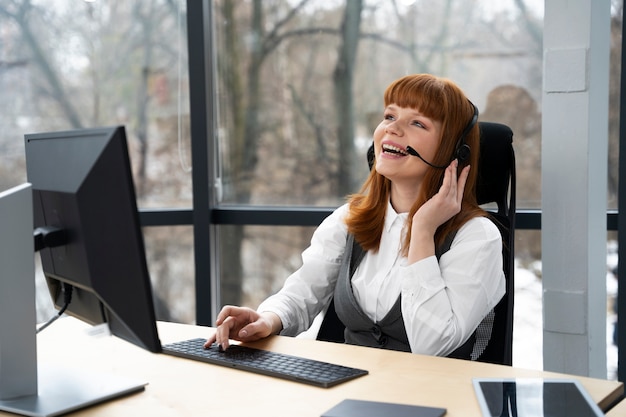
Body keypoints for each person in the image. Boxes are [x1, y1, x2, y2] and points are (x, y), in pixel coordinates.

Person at [206, 73, 505, 358]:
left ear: (455, 151)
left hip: (435, 400)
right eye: (389, 116)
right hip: (349, 389)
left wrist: (423, 231)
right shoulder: (350, 219)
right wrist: (267, 319)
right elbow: (303, 292)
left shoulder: (477, 236)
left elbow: (433, 345)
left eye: (417, 123)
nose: (393, 128)